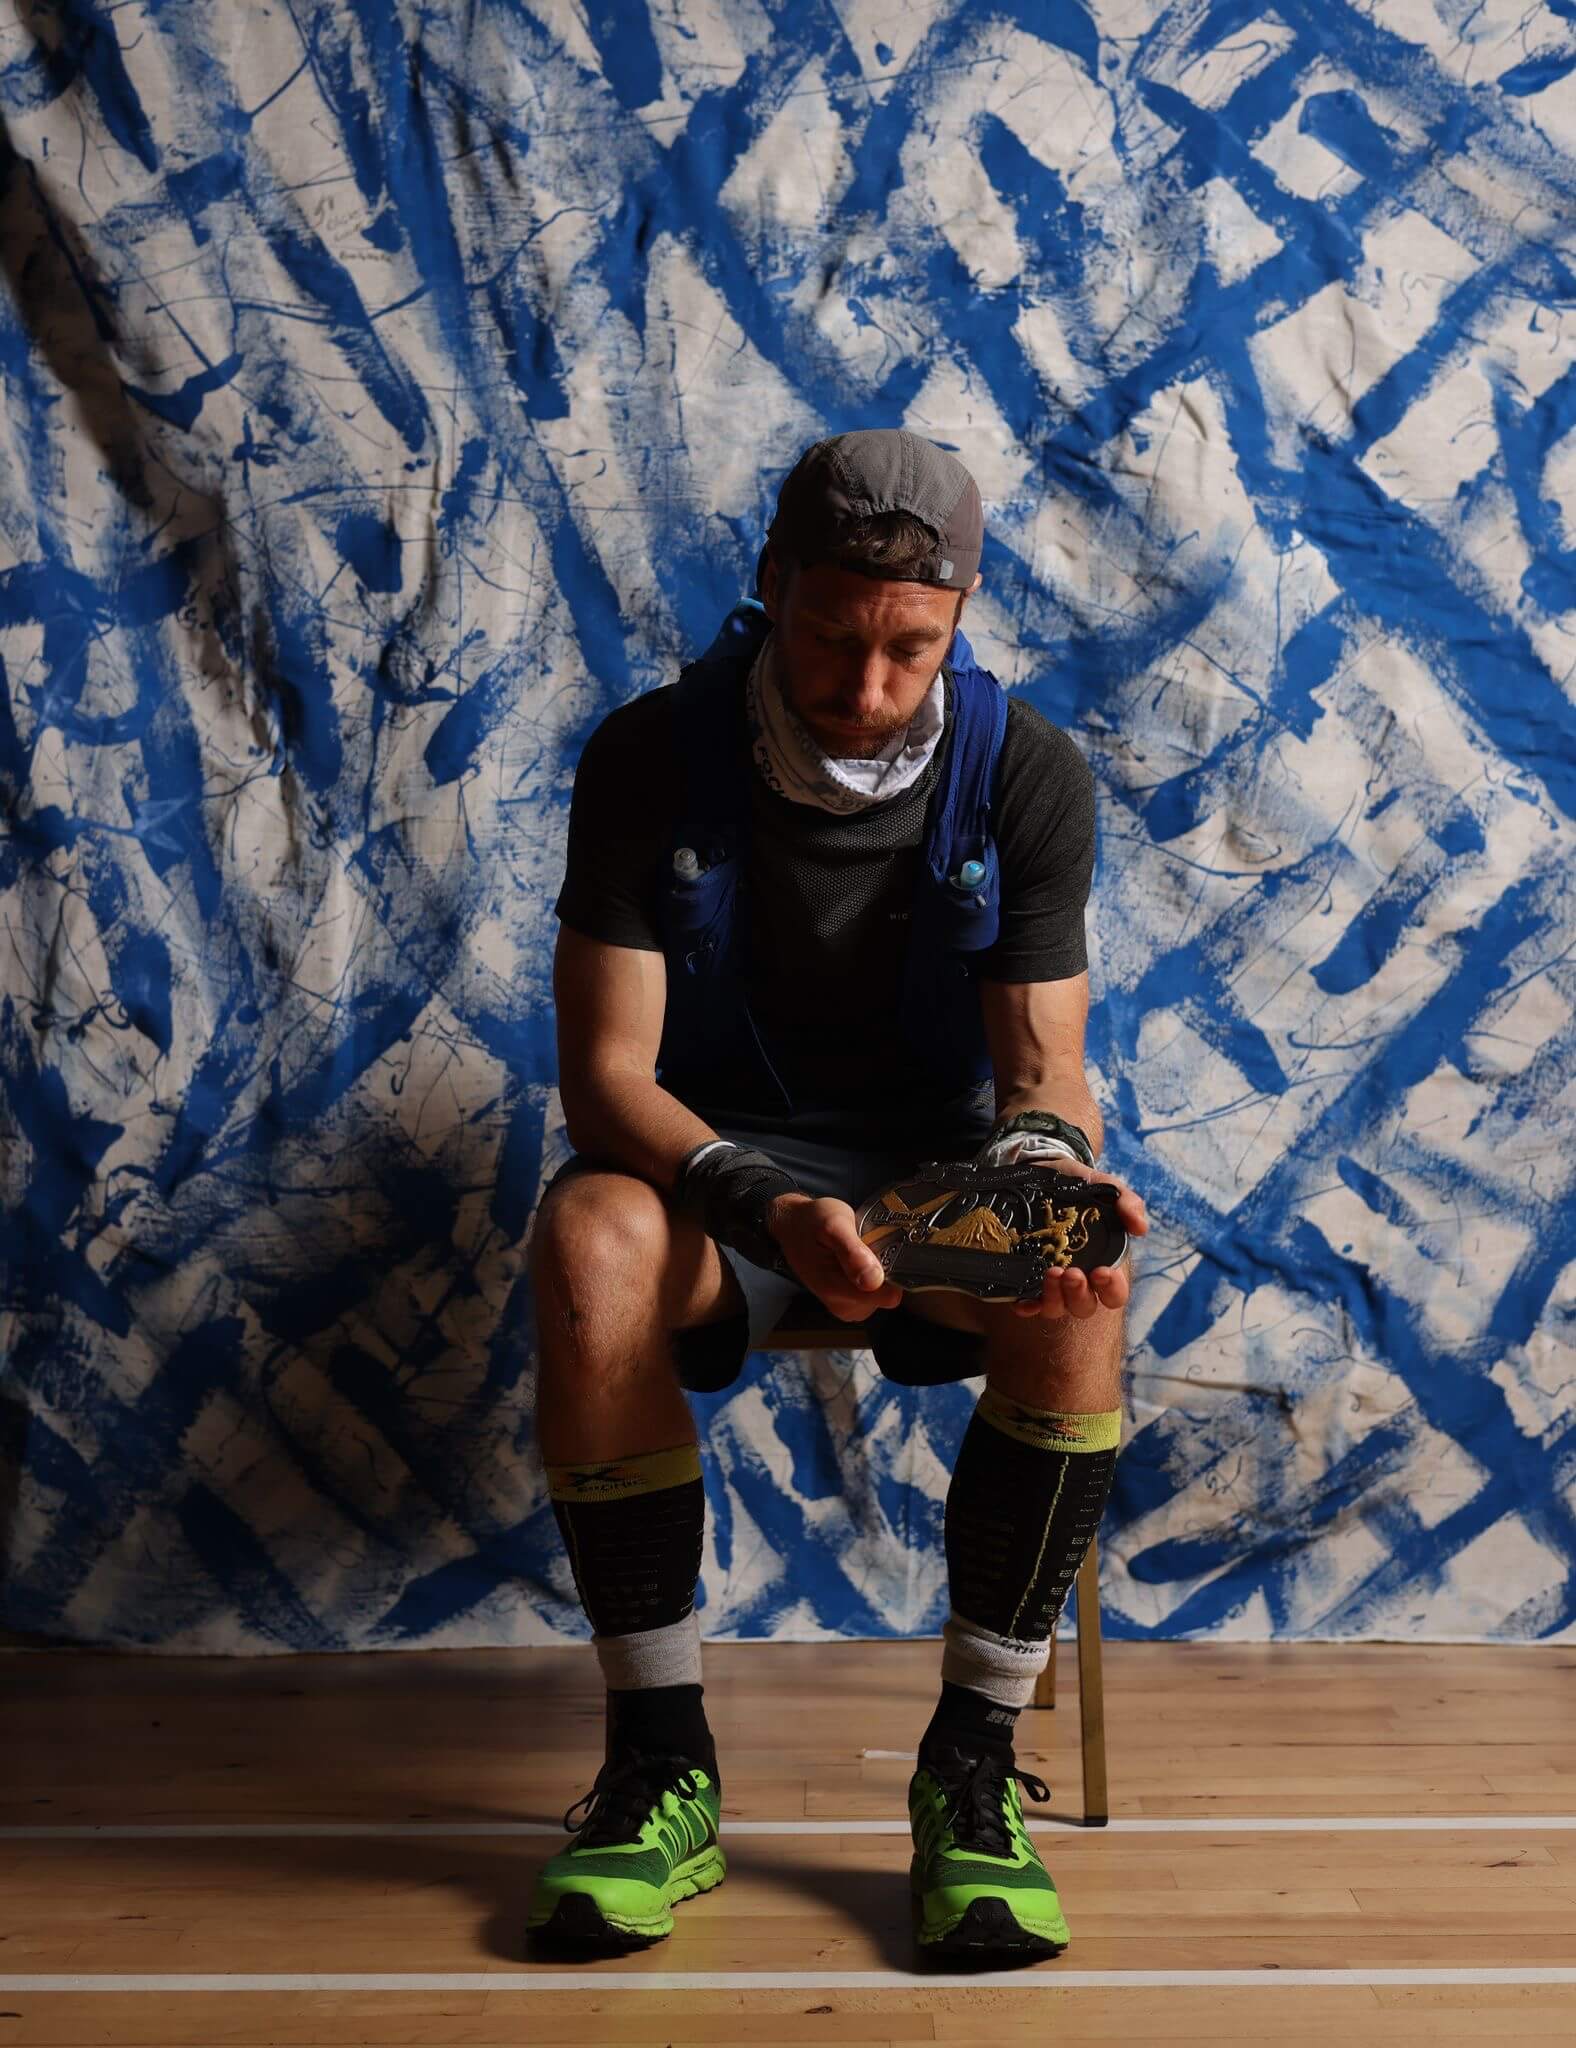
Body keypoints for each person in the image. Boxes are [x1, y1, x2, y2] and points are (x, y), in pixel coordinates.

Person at [525, 427, 1149, 1962]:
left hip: (932, 1195)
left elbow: (1044, 1074)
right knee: (587, 1238)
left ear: (961, 618)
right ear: (772, 586)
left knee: (1078, 1270)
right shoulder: (649, 757)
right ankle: (659, 1767)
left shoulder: (1024, 772)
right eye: (829, 637)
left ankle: (971, 1774)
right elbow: (606, 1080)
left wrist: (1050, 1172)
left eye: (908, 649)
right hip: (711, 1180)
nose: (867, 686)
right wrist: (761, 1204)